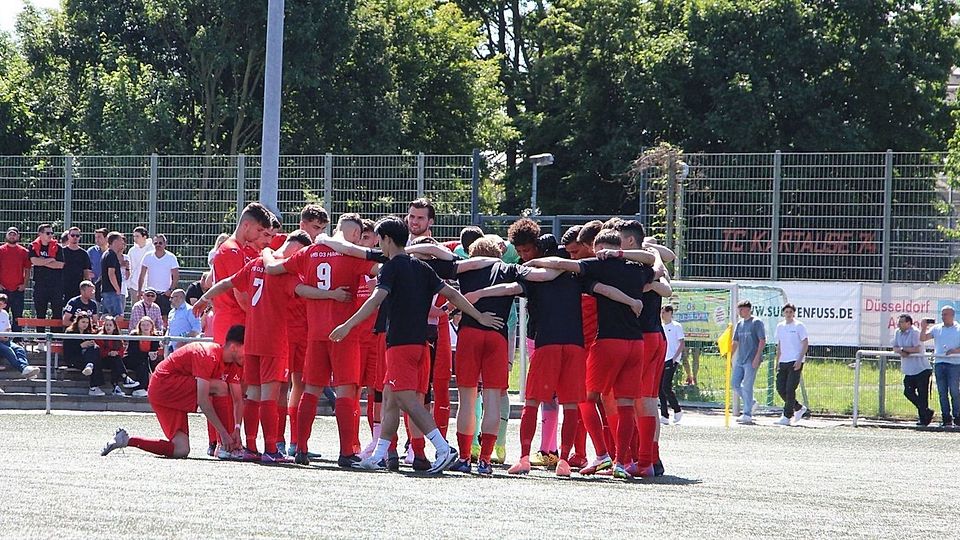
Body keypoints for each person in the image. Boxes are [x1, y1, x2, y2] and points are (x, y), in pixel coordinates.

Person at [330, 216, 503, 474]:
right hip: (421, 343)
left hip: (401, 344)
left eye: (379, 239)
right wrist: (477, 316)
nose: (378, 244)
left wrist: (347, 325)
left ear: (387, 239)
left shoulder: (391, 267)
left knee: (406, 400)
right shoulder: (422, 267)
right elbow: (452, 295)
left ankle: (443, 448)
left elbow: (376, 300)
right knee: (390, 398)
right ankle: (378, 455)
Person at [525, 229, 656, 479]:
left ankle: (602, 454)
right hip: (636, 343)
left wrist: (531, 262)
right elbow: (657, 264)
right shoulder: (637, 267)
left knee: (585, 398)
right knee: (626, 404)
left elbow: (562, 263)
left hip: (608, 342)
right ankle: (623, 462)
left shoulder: (597, 265)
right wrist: (633, 299)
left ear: (597, 249)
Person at [264, 214, 377, 467]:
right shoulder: (352, 255)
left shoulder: (310, 252)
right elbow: (380, 268)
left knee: (311, 390)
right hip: (344, 333)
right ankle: (347, 451)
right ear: (357, 236)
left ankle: (300, 448)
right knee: (346, 390)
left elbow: (273, 268)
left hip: (315, 333)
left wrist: (267, 251)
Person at [194, 230, 314, 463]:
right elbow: (304, 291)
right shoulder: (285, 271)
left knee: (255, 393)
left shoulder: (256, 264)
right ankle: (271, 449)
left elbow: (227, 283)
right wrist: (331, 294)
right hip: (274, 341)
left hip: (253, 340)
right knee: (268, 394)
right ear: (294, 247)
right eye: (300, 252)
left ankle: (251, 446)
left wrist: (204, 298)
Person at [101, 326, 246, 459]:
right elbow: (203, 400)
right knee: (220, 387)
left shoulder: (234, 363)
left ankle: (126, 440)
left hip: (168, 394)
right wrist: (223, 433)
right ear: (233, 347)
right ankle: (224, 447)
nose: (248, 354)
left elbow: (238, 400)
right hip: (163, 387)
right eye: (246, 348)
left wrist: (237, 429)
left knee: (181, 450)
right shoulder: (208, 354)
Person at [210, 203, 272, 345]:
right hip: (232, 323)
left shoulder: (237, 250)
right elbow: (241, 295)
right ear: (246, 225)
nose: (258, 235)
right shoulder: (233, 251)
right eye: (259, 230)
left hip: (231, 320)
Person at [920, 305, 960, 427]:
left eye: (946, 314)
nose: (943, 317)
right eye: (942, 314)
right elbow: (923, 338)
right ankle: (946, 418)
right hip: (939, 363)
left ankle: (957, 416)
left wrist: (955, 351)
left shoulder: (958, 328)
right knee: (942, 392)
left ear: (952, 315)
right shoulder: (936, 328)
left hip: (954, 364)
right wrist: (923, 327)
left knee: (954, 391)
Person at [892, 314, 933, 426]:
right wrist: (901, 350)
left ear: (908, 323)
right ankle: (926, 411)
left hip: (921, 369)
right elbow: (895, 347)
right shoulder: (897, 332)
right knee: (908, 392)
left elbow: (917, 348)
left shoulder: (915, 332)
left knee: (922, 394)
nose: (899, 324)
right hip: (909, 369)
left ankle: (923, 419)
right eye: (899, 322)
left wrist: (905, 350)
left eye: (901, 322)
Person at [730, 300, 765, 424]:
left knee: (747, 386)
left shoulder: (757, 323)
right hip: (740, 359)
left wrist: (757, 357)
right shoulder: (740, 324)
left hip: (751, 359)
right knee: (734, 383)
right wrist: (729, 356)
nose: (740, 312)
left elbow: (762, 341)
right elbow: (735, 342)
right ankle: (751, 402)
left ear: (749, 309)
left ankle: (747, 413)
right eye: (739, 309)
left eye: (742, 309)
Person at [774, 303, 808, 426]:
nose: (788, 314)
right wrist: (777, 362)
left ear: (794, 313)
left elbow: (805, 343)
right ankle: (798, 407)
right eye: (786, 312)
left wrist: (799, 360)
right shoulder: (780, 326)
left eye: (790, 312)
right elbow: (779, 345)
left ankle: (787, 416)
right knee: (780, 388)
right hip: (783, 361)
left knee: (790, 389)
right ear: (783, 313)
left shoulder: (799, 326)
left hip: (795, 361)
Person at [29, 223, 65, 323]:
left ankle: (56, 337)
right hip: (40, 285)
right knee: (40, 313)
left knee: (57, 313)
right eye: (48, 233)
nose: (50, 235)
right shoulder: (33, 246)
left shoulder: (58, 247)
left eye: (52, 233)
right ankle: (40, 337)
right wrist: (50, 260)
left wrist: (42, 261)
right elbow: (34, 261)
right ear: (40, 234)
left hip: (56, 285)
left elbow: (60, 265)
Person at [0, 293, 40, 379]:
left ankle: (26, 369)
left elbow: (8, 328)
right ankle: (23, 369)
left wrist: (7, 336)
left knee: (19, 349)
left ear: (4, 305)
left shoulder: (5, 314)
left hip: (6, 340)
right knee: (8, 351)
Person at [95, 316, 138, 396]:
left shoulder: (118, 338)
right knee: (115, 359)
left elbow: (121, 352)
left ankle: (116, 387)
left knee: (115, 359)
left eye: (110, 325)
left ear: (114, 327)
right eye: (106, 325)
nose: (108, 327)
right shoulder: (100, 337)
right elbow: (98, 351)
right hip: (102, 360)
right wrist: (108, 353)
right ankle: (125, 378)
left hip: (114, 360)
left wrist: (116, 353)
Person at [138, 234, 180, 316]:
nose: (158, 245)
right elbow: (142, 275)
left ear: (165, 244)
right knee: (148, 316)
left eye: (160, 243)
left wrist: (170, 290)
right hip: (150, 293)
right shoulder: (148, 256)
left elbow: (176, 276)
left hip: (165, 293)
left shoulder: (171, 257)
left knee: (165, 317)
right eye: (155, 243)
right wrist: (140, 291)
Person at [63, 313, 105, 396]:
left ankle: (89, 365)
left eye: (87, 322)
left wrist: (91, 344)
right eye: (83, 322)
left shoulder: (89, 333)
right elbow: (68, 351)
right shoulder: (70, 332)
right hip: (74, 359)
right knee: (94, 361)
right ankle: (94, 387)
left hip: (87, 358)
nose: (85, 324)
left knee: (95, 349)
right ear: (77, 322)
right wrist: (81, 346)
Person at [0, 227, 31, 332]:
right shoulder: (1, 250)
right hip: (3, 289)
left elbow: (27, 269)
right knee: (1, 314)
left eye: (14, 234)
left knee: (18, 315)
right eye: (10, 234)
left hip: (18, 289)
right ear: (6, 236)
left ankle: (17, 339)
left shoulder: (24, 252)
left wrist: (24, 284)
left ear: (18, 236)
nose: (12, 236)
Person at [124, 316, 162, 398]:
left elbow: (154, 351)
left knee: (147, 363)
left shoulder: (155, 337)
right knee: (142, 364)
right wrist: (148, 354)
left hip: (147, 360)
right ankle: (139, 388)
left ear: (152, 326)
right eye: (143, 325)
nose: (146, 327)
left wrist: (152, 356)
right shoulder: (134, 335)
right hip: (132, 359)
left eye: (148, 325)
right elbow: (132, 352)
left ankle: (148, 388)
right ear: (140, 326)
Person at [659, 305, 685, 424]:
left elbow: (681, 343)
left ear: (670, 313)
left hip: (671, 359)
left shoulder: (676, 326)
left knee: (666, 386)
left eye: (664, 312)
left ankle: (677, 410)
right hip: (661, 359)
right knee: (659, 388)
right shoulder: (661, 327)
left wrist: (675, 358)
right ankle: (664, 415)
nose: (662, 315)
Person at [60, 226, 93, 304]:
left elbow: (87, 273)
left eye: (77, 236)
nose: (75, 237)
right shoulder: (61, 252)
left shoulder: (84, 254)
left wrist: (87, 288)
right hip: (63, 287)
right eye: (72, 235)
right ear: (68, 236)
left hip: (78, 288)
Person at [124, 226, 154, 309]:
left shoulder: (152, 250)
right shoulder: (132, 250)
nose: (135, 238)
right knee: (136, 308)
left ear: (144, 237)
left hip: (149, 285)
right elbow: (130, 267)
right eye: (134, 236)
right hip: (134, 285)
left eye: (137, 236)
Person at [99, 232, 126, 318]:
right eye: (121, 240)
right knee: (118, 317)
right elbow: (111, 273)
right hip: (111, 291)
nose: (123, 243)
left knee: (106, 316)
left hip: (107, 291)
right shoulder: (111, 255)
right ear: (115, 241)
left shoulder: (107, 254)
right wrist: (117, 289)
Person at [166, 289, 200, 353]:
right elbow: (169, 328)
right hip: (171, 348)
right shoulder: (171, 312)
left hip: (186, 349)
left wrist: (183, 341)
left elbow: (197, 329)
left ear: (180, 297)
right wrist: (165, 338)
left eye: (172, 297)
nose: (170, 300)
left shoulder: (190, 310)